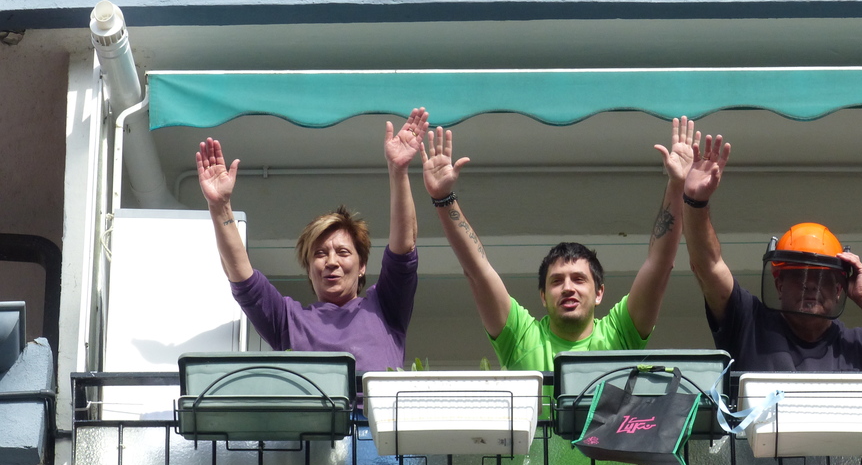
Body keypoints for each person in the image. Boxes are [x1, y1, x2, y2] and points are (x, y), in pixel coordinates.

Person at [420, 117, 699, 371]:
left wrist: (677, 184)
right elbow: (478, 272)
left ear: (599, 293)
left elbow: (659, 266)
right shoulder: (521, 337)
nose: (568, 288)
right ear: (543, 296)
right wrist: (443, 199)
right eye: (556, 281)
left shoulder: (618, 334)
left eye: (579, 279)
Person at [195, 108, 429, 375]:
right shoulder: (288, 320)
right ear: (308, 268)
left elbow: (403, 251)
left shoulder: (384, 308)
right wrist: (219, 206)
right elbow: (242, 278)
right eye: (320, 254)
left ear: (362, 265)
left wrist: (398, 170)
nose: (331, 262)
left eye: (343, 252)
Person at [681, 133, 862, 372]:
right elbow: (709, 265)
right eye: (799, 275)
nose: (811, 285)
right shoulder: (749, 323)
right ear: (779, 284)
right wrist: (695, 201)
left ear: (839, 289)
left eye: (823, 278)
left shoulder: (859, 346)